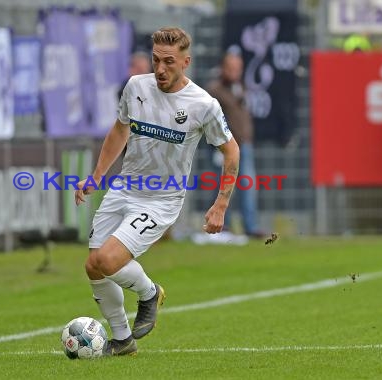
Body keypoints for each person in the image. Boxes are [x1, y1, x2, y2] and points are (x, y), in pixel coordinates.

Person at [75, 27, 239, 356]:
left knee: (108, 259)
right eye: (155, 61)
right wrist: (96, 175)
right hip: (124, 188)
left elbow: (231, 151)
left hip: (161, 200)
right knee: (94, 265)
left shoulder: (203, 105)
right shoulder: (136, 87)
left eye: (168, 62)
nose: (160, 69)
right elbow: (120, 129)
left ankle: (149, 293)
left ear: (186, 62)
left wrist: (221, 204)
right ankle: (122, 340)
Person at [206, 49, 265, 239]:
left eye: (237, 69)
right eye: (230, 68)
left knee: (248, 186)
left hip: (244, 146)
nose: (234, 73)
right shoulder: (214, 90)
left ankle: (250, 226)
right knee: (223, 187)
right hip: (224, 148)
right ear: (223, 68)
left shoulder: (240, 88)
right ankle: (224, 226)